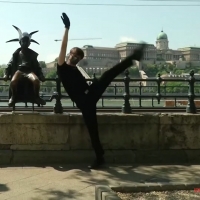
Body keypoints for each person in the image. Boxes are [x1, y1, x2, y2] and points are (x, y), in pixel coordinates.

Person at [57, 13, 146, 169]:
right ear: (68, 54)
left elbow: (82, 85)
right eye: (73, 53)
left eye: (77, 56)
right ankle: (100, 157)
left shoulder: (76, 70)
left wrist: (93, 85)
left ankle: (132, 58)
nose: (74, 56)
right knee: (93, 129)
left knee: (107, 75)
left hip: (89, 95)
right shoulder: (62, 67)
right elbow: (63, 46)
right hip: (84, 103)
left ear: (79, 58)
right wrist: (67, 28)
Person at [3, 25, 46, 106]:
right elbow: (9, 64)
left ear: (29, 43)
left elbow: (38, 66)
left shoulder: (32, 55)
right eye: (23, 41)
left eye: (27, 42)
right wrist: (6, 74)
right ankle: (13, 97)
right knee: (13, 81)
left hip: (29, 71)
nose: (25, 43)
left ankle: (37, 97)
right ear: (20, 42)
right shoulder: (16, 54)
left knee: (36, 81)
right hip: (19, 71)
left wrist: (41, 75)